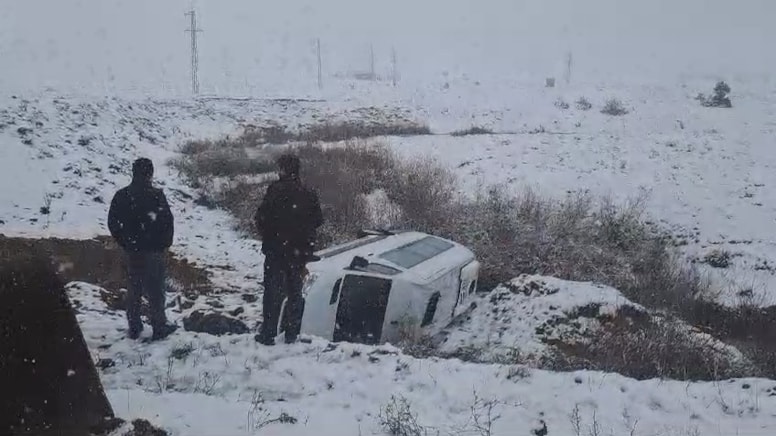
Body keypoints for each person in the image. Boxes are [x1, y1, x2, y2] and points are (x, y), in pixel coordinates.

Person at [254, 154, 323, 345]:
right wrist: (301, 233)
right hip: (298, 252)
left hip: (276, 250)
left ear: (284, 169)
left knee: (272, 293)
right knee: (295, 292)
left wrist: (272, 235)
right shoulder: (308, 192)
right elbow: (318, 220)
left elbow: (261, 218)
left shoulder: (275, 190)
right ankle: (292, 333)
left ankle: (268, 333)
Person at [107, 158, 177, 341]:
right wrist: (163, 244)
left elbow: (113, 223)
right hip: (153, 251)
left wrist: (125, 242)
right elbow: (167, 221)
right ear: (150, 173)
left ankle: (134, 326)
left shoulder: (122, 195)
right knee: (156, 291)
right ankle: (159, 326)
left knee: (134, 289)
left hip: (133, 251)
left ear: (133, 172)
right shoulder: (156, 195)